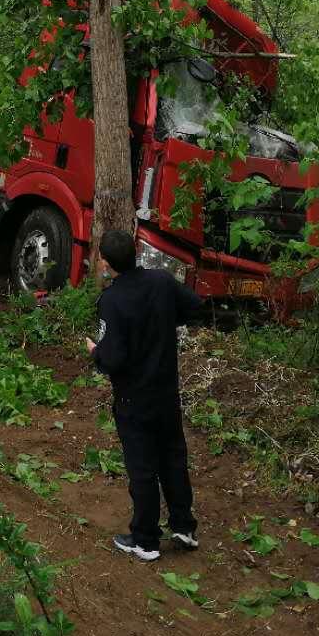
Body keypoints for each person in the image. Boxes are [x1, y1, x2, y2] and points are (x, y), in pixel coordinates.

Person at [85, 229, 204, 562]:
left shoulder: (112, 300)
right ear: (136, 251)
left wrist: (96, 352)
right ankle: (184, 526)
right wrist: (167, 321)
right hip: (166, 393)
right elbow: (195, 306)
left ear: (105, 263)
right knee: (173, 459)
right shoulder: (162, 282)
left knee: (141, 467)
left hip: (133, 399)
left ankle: (146, 539)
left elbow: (113, 359)